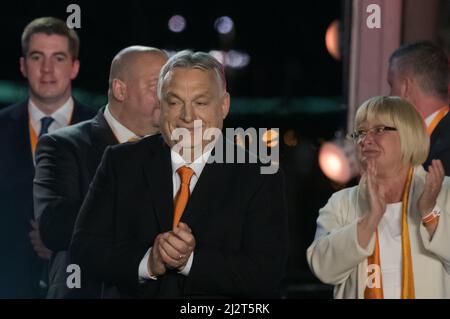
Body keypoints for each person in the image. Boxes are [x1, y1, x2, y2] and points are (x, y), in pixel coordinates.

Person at [70, 50, 288, 298]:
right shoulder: (120, 163)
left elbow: (265, 274)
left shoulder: (259, 175)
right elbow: (84, 250)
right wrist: (148, 262)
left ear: (224, 105)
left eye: (201, 103)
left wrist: (189, 261)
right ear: (160, 107)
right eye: (174, 103)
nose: (187, 116)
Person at [33, 46, 168, 298]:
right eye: (156, 86)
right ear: (120, 89)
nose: (167, 97)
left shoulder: (174, 152)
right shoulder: (63, 146)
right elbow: (55, 228)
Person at [307, 96, 450, 299]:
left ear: (409, 134)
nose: (366, 140)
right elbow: (323, 268)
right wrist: (371, 218)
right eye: (361, 132)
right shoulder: (341, 203)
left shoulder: (444, 192)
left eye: (379, 129)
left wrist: (429, 213)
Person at [0, 17, 95, 298]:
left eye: (59, 58)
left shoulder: (104, 132)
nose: (47, 69)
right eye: (37, 57)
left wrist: (65, 241)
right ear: (22, 65)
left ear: (74, 66)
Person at [388, 41, 450, 174]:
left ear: (406, 88)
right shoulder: (431, 141)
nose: (389, 96)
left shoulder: (443, 151)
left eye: (391, 85)